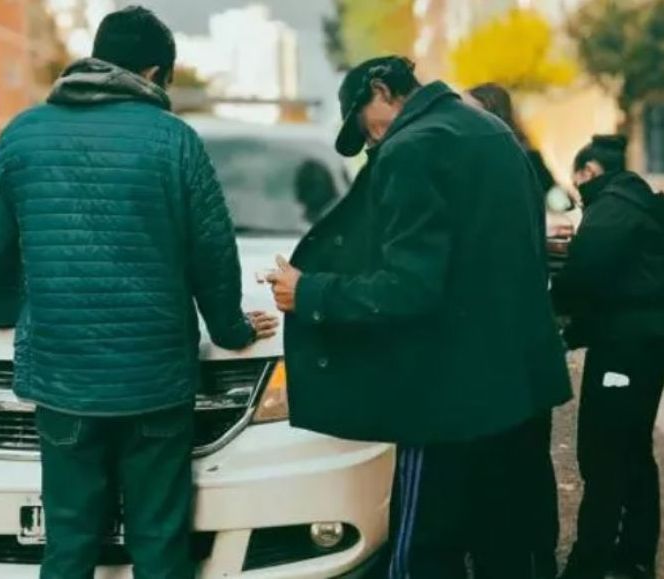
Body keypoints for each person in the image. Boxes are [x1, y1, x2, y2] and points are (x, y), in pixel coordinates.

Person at [0, 7, 277, 579]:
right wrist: (232, 329)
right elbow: (213, 256)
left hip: (63, 379)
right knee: (159, 541)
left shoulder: (22, 135)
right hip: (155, 383)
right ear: (155, 72)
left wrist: (0, 311)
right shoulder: (175, 140)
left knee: (68, 543)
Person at [266, 55, 572, 579]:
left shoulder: (412, 147)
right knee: (505, 546)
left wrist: (309, 291)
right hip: (517, 387)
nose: (372, 141)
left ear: (382, 90)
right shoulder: (493, 132)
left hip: (446, 393)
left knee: (423, 551)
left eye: (365, 125)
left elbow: (409, 287)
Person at [554, 135, 664, 579]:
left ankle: (589, 562)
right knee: (634, 449)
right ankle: (636, 556)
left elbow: (584, 277)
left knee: (601, 453)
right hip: (645, 346)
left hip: (623, 351)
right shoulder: (637, 201)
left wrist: (558, 309)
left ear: (588, 172)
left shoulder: (611, 207)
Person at [465, 81, 562, 579]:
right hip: (532, 330)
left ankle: (516, 557)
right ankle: (538, 556)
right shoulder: (528, 159)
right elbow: (559, 200)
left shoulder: (494, 164)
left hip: (507, 336)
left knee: (508, 458)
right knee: (531, 457)